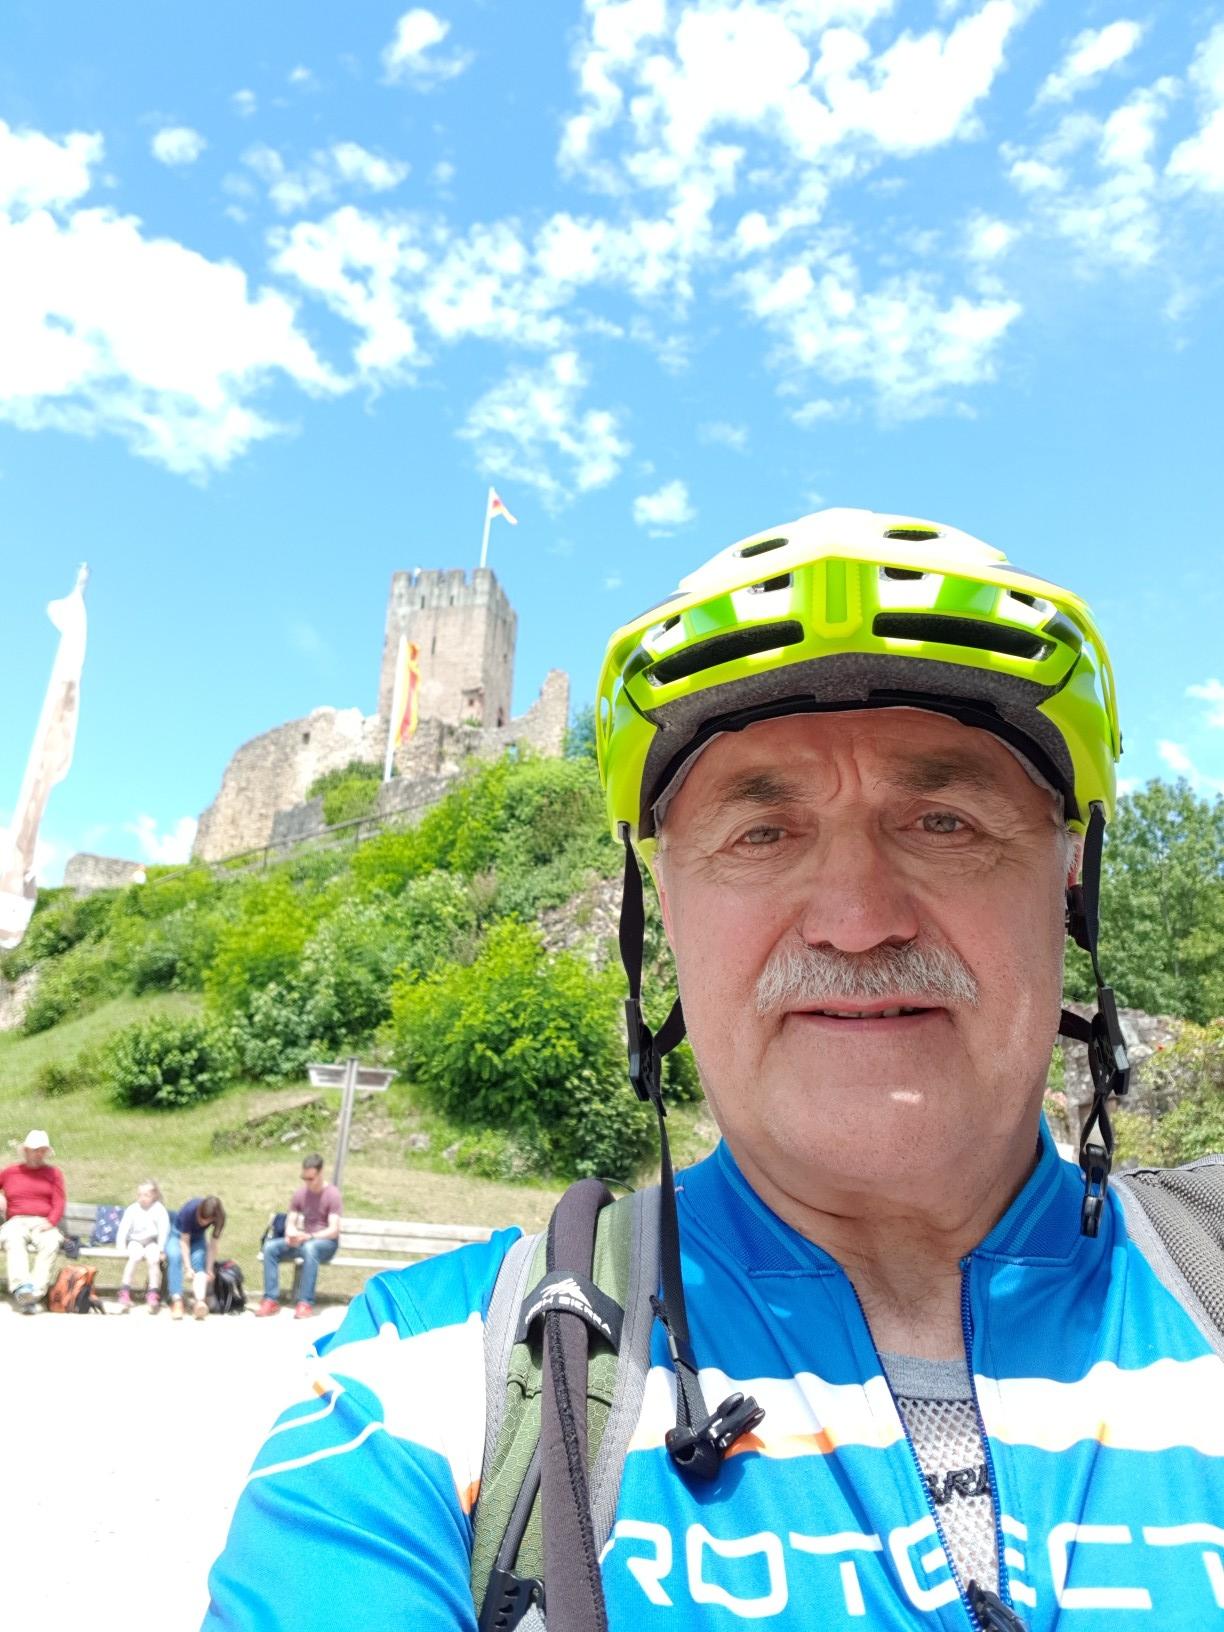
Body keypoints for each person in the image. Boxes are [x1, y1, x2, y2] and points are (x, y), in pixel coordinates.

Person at [204, 510, 1224, 1630]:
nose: (856, 921)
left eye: (945, 821)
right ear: (664, 913)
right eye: (761, 834)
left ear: (1072, 882)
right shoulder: (430, 1381)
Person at [255, 1154, 342, 1320]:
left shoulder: (332, 1194)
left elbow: (334, 1230)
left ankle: (305, 1302)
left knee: (310, 1248)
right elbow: (291, 1219)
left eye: (311, 1178)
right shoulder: (300, 1194)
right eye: (304, 1178)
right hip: (304, 1241)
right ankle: (270, 1299)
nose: (307, 1182)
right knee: (270, 1247)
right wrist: (290, 1232)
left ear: (320, 1173)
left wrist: (309, 1236)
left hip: (326, 1244)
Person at [0, 1129, 65, 1312]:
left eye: (42, 1150)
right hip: (17, 1220)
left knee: (51, 1242)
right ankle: (22, 1287)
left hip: (43, 1221)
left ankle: (35, 1292)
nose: (39, 1154)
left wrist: (51, 1221)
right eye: (35, 1150)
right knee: (13, 1239)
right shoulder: (10, 1172)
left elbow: (59, 1201)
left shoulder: (54, 1173)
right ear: (26, 1151)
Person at [166, 1195, 225, 1322]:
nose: (203, 1222)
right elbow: (184, 1242)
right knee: (175, 1256)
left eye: (207, 1220)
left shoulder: (220, 1218)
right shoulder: (190, 1210)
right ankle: (177, 1300)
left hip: (198, 1237)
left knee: (199, 1258)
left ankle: (199, 1302)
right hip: (178, 1234)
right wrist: (188, 1268)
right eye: (200, 1218)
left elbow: (213, 1245)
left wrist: (209, 1269)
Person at [115, 1179, 170, 1313]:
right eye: (140, 1195)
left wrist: (161, 1248)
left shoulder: (159, 1209)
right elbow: (123, 1228)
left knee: (153, 1259)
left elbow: (163, 1230)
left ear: (154, 1195)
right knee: (135, 1256)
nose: (142, 1198)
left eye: (146, 1195)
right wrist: (120, 1245)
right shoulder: (133, 1209)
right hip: (135, 1241)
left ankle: (153, 1292)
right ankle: (125, 1290)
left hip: (151, 1241)